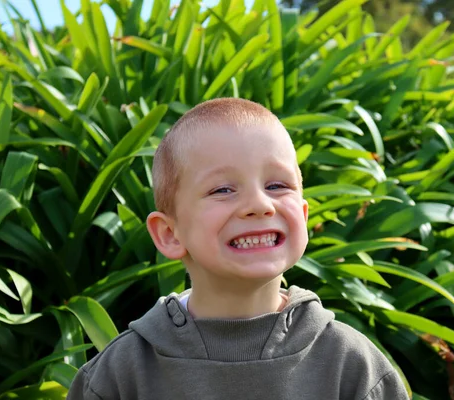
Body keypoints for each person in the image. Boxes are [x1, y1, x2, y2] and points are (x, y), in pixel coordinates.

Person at [67, 98, 409, 400]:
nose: (260, 204)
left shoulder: (353, 367)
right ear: (170, 233)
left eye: (277, 185)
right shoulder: (119, 376)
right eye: (223, 189)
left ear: (303, 217)